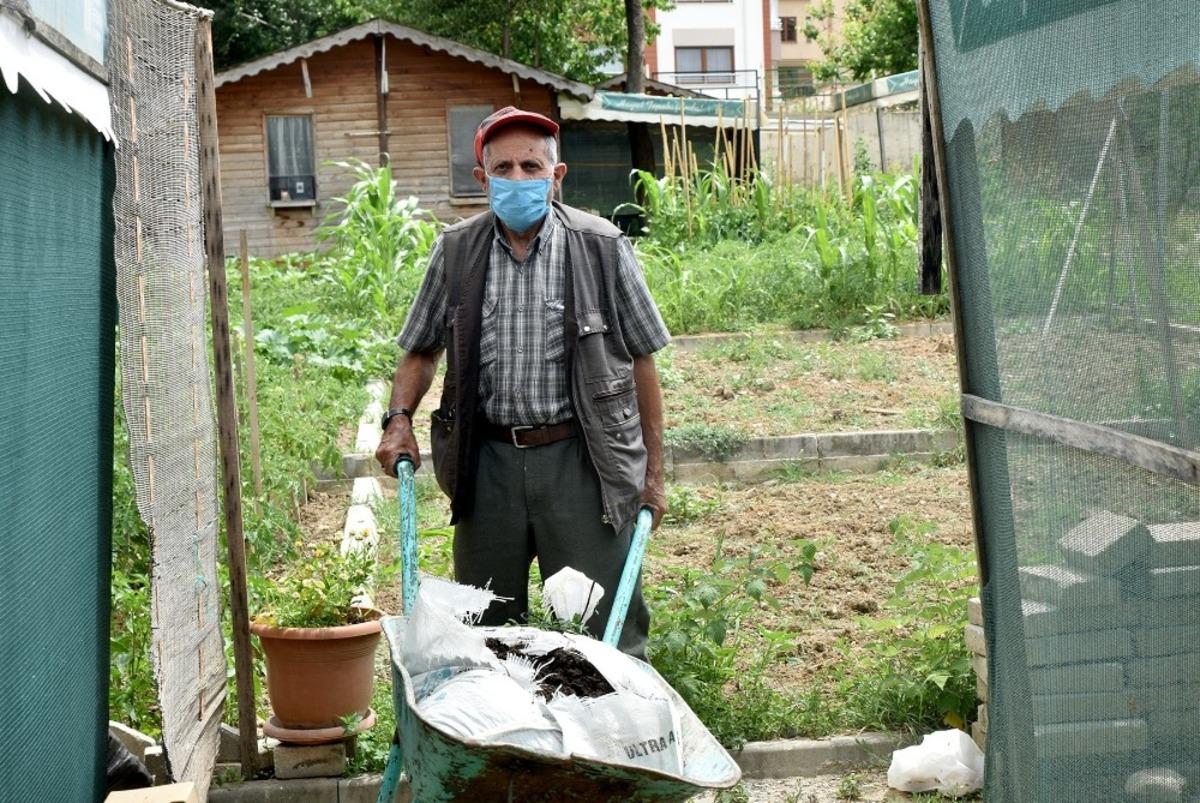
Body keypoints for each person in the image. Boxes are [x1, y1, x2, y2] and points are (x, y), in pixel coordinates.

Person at [374, 106, 670, 657]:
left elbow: (643, 361)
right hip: (487, 465)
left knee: (602, 632)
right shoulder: (456, 250)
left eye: (531, 166)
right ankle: (502, 742)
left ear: (556, 176)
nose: (517, 179)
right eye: (502, 168)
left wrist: (653, 475)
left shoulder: (601, 247)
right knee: (485, 631)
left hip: (582, 465)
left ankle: (607, 737)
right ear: (481, 179)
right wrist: (398, 421)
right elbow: (420, 348)